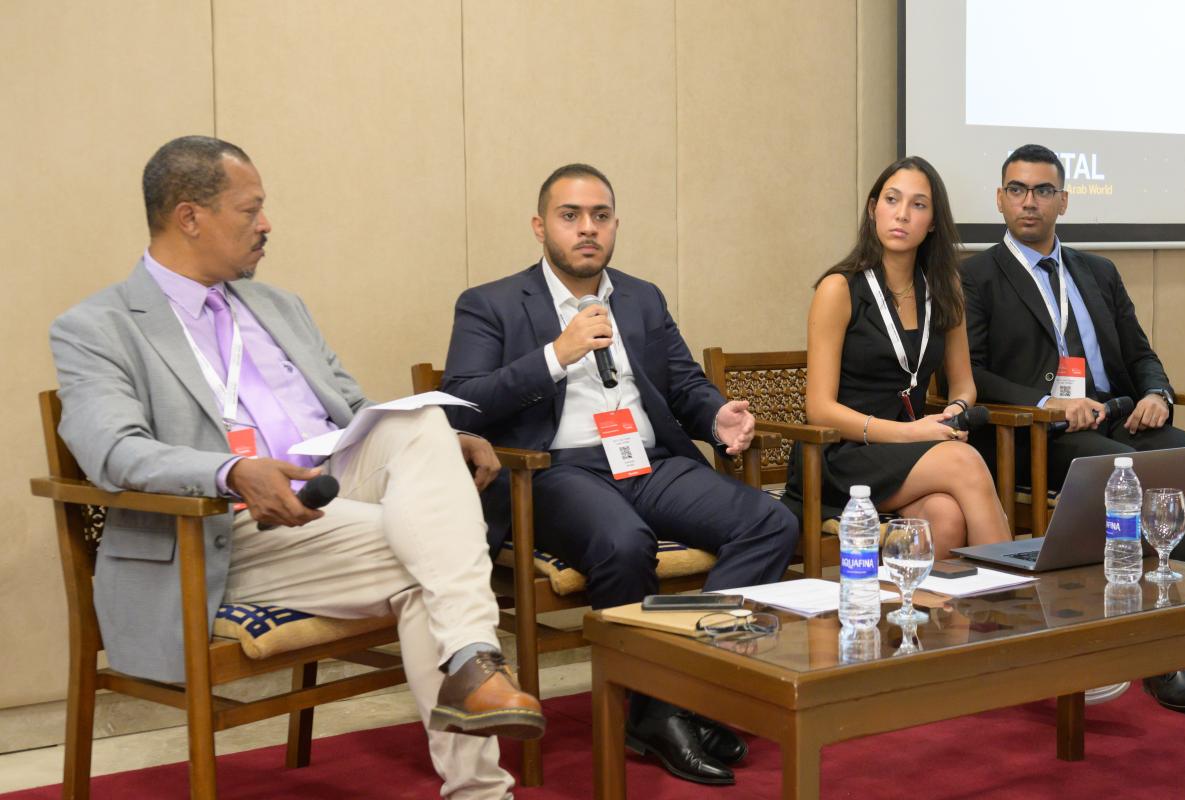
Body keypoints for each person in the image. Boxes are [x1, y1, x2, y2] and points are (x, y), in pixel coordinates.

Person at [49, 136, 541, 800]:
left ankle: (470, 671)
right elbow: (114, 451)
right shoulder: (97, 326)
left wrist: (436, 441)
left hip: (332, 488)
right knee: (431, 561)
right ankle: (480, 753)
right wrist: (230, 470)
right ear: (190, 216)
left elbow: (357, 410)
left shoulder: (280, 307)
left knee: (422, 422)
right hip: (225, 527)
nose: (266, 225)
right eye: (250, 210)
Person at [441, 163, 798, 787]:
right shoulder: (490, 303)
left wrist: (718, 415)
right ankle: (663, 709)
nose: (587, 229)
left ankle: (675, 699)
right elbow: (462, 404)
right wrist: (557, 354)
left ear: (614, 226)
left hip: (645, 460)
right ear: (539, 226)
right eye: (570, 216)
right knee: (623, 541)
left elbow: (683, 382)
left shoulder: (641, 296)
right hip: (553, 471)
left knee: (770, 520)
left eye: (600, 216)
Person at [962, 144, 1185, 714]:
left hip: (1119, 421)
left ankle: (1161, 623)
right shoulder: (975, 276)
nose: (1029, 202)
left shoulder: (1098, 271)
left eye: (1043, 191)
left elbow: (1141, 353)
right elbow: (971, 371)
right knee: (1124, 476)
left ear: (1064, 201)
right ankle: (1160, 655)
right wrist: (1048, 403)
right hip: (1038, 434)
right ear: (999, 199)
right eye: (1017, 189)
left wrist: (1155, 393)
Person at [791, 155, 1012, 560]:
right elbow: (819, 410)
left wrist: (956, 411)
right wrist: (911, 434)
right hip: (842, 454)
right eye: (892, 200)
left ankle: (922, 621)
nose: (902, 214)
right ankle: (1018, 603)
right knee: (964, 462)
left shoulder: (944, 290)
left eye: (918, 205)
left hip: (911, 450)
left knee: (945, 518)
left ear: (932, 223)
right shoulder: (839, 289)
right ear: (873, 208)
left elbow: (963, 383)